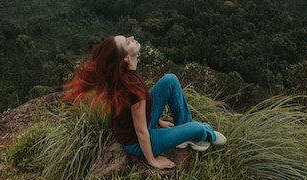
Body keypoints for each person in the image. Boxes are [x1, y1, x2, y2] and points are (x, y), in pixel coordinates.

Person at [62, 35, 226, 169]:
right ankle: (206, 133)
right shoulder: (133, 88)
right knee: (198, 128)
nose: (132, 37)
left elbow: (138, 109)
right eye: (127, 42)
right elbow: (141, 131)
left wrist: (159, 121)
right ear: (126, 57)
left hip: (139, 126)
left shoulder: (126, 73)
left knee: (170, 80)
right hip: (136, 143)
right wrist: (152, 160)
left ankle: (185, 133)